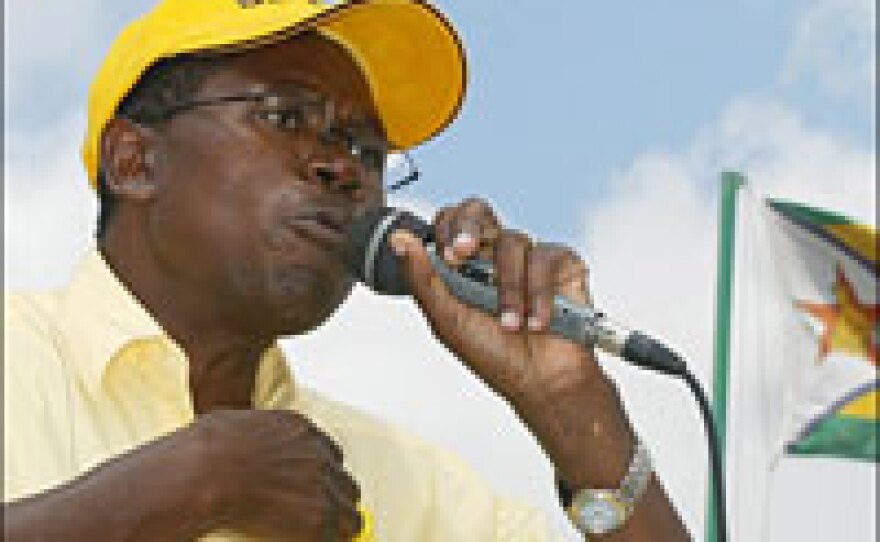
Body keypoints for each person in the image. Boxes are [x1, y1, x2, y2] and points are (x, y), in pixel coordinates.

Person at [3, 1, 691, 540]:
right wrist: (195, 480)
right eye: (285, 117)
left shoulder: (404, 484)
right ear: (134, 162)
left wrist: (572, 408)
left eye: (367, 150)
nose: (342, 168)